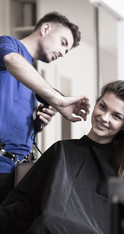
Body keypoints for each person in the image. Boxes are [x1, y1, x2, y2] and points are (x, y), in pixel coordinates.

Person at [0, 80, 124, 234]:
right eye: (103, 106)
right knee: (48, 224)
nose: (104, 118)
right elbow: (23, 205)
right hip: (48, 231)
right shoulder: (62, 151)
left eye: (116, 116)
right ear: (96, 104)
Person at [0, 12, 90, 203]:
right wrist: (58, 99)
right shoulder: (8, 45)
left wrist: (37, 123)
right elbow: (11, 60)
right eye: (63, 43)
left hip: (17, 173)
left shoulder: (33, 76)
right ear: (46, 28)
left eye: (67, 51)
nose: (63, 53)